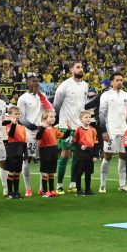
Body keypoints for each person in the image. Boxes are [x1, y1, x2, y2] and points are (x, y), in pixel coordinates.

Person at [53, 61, 92, 193]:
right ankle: (59, 185)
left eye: (82, 67)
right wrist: (61, 123)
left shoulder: (85, 85)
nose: (81, 69)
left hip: (80, 127)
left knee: (77, 156)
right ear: (71, 69)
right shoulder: (64, 86)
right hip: (67, 126)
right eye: (78, 67)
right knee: (64, 155)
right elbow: (56, 106)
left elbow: (83, 105)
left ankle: (72, 184)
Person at [15, 73, 49, 196]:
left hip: (42, 131)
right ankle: (28, 188)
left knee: (44, 159)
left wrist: (43, 125)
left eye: (37, 81)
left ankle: (42, 188)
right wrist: (33, 127)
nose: (36, 83)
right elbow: (21, 118)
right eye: (34, 81)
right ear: (28, 84)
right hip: (29, 132)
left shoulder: (42, 96)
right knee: (27, 159)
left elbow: (48, 110)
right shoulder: (23, 98)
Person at [98, 72, 127, 194]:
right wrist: (104, 131)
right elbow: (101, 114)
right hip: (111, 131)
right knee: (107, 156)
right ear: (112, 82)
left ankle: (122, 184)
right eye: (117, 80)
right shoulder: (105, 95)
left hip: (124, 131)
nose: (119, 82)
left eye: (121, 80)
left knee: (123, 157)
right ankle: (102, 184)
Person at [3, 106, 28, 199]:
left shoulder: (22, 127)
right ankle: (10, 193)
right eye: (15, 114)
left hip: (20, 152)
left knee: (17, 172)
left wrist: (26, 154)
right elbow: (11, 134)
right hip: (12, 152)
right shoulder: (8, 126)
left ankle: (16, 192)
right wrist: (13, 124)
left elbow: (24, 142)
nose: (17, 115)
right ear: (10, 116)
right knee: (11, 172)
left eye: (18, 114)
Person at [36, 108, 62, 198]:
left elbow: (62, 136)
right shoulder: (41, 128)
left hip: (53, 152)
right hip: (45, 152)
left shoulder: (54, 129)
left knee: (51, 172)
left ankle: (52, 190)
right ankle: (44, 191)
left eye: (54, 117)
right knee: (45, 172)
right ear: (44, 118)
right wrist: (43, 127)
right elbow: (38, 136)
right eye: (51, 117)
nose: (53, 118)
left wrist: (69, 130)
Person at [72, 110, 99, 196]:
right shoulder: (78, 130)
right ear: (81, 119)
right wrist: (80, 146)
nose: (88, 119)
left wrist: (95, 155)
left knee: (88, 173)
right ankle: (79, 190)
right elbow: (75, 142)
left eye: (89, 117)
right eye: (86, 117)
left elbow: (96, 143)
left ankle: (88, 189)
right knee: (79, 172)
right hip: (80, 154)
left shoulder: (93, 130)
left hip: (90, 154)